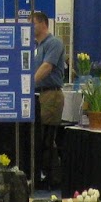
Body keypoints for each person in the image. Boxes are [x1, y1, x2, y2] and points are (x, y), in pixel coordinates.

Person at [31, 10, 67, 188]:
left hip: (50, 94)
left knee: (46, 137)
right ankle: (40, 174)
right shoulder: (34, 46)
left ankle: (52, 177)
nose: (29, 27)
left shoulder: (54, 43)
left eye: (32, 23)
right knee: (37, 137)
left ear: (43, 24)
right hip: (37, 95)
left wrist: (28, 84)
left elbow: (47, 67)